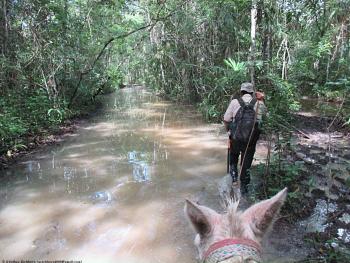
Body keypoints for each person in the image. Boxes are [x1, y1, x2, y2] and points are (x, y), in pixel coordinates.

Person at [223, 82, 267, 194]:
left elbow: (226, 119)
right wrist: (263, 101)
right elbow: (264, 120)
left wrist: (228, 131)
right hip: (251, 140)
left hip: (236, 138)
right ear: (252, 92)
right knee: (246, 163)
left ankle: (233, 179)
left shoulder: (234, 102)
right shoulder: (259, 103)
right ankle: (244, 188)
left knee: (233, 157)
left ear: (241, 91)